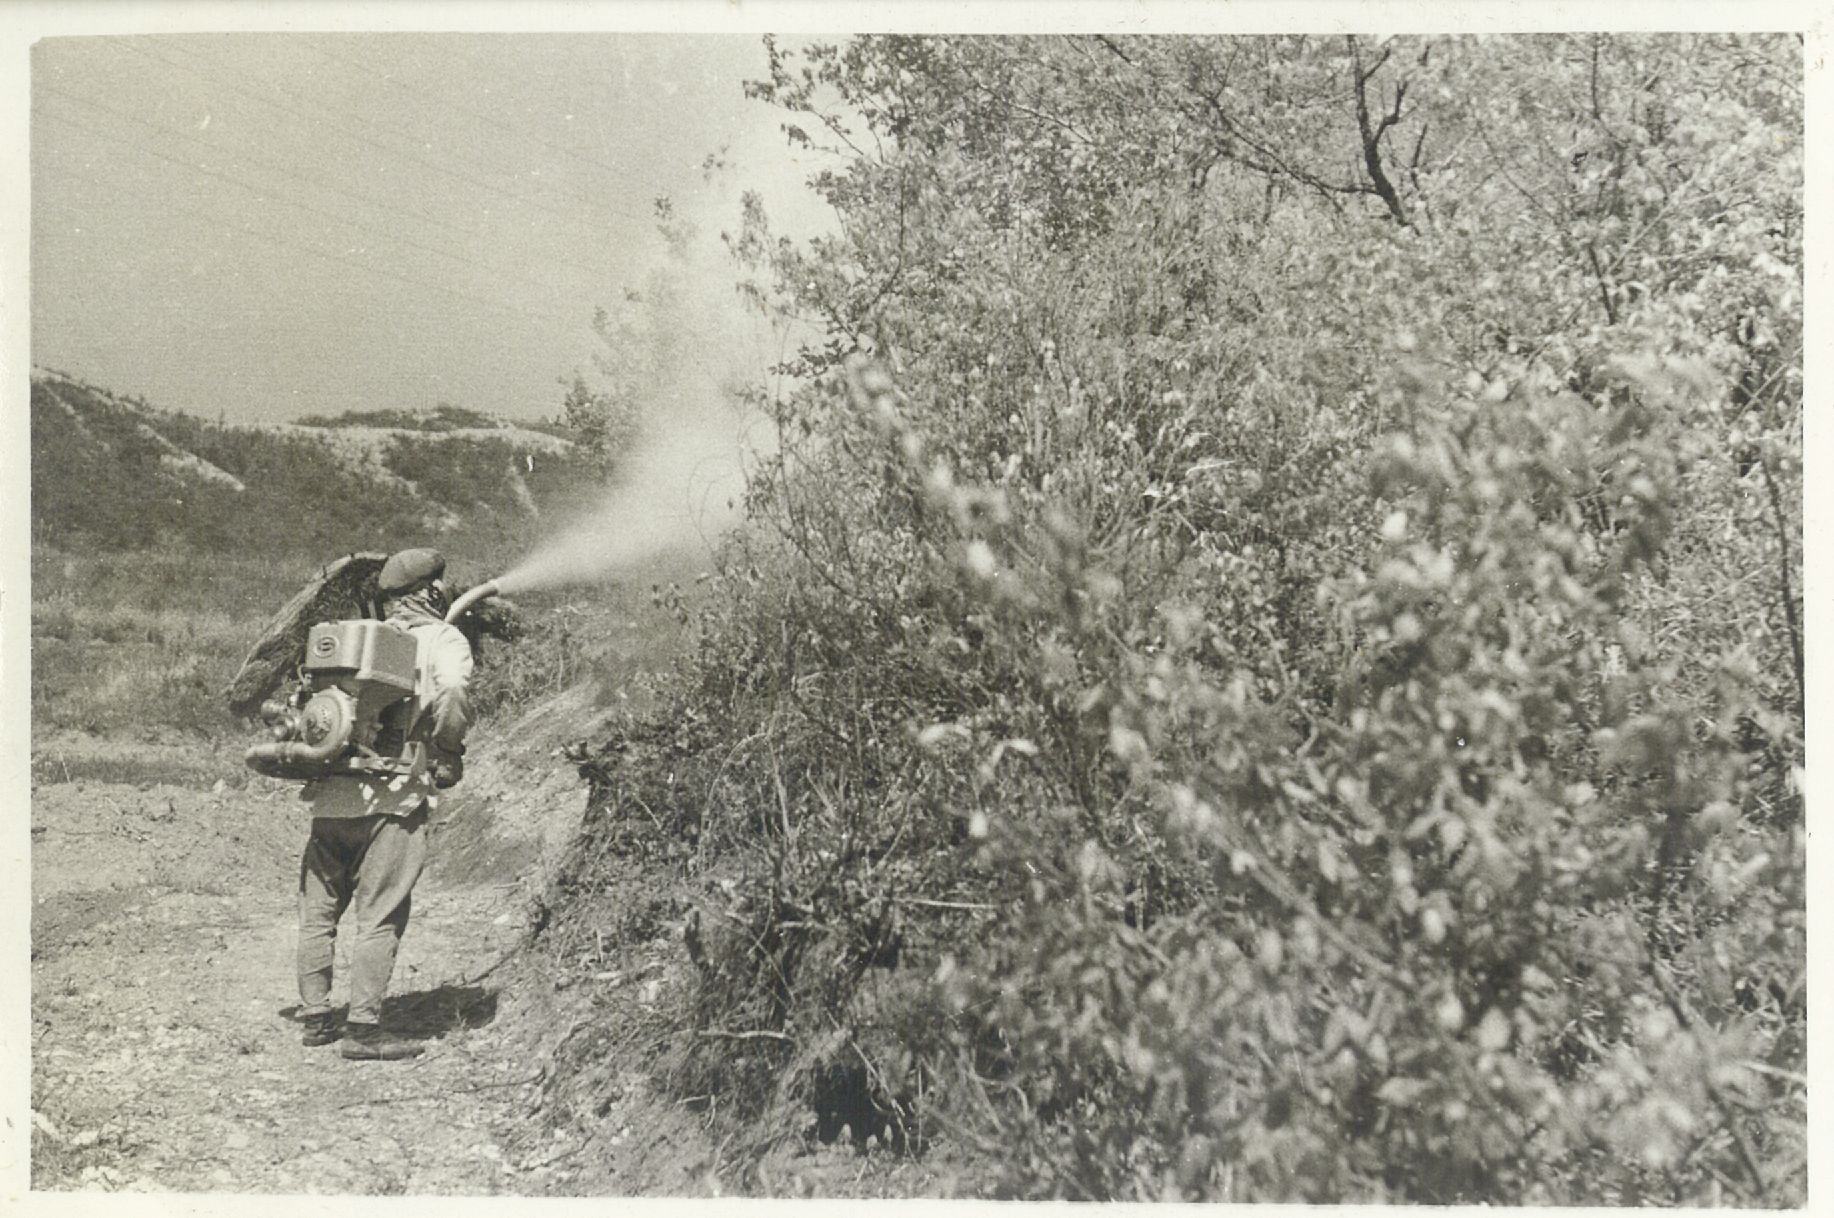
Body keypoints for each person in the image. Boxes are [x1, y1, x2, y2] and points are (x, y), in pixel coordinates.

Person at [293, 547, 474, 1060]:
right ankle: (364, 1032)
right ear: (433, 591)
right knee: (380, 914)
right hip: (392, 800)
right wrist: (448, 750)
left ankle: (315, 1017)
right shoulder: (442, 638)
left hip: (330, 797)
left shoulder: (355, 641)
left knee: (319, 911)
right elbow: (455, 692)